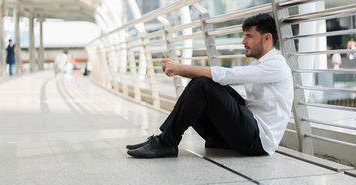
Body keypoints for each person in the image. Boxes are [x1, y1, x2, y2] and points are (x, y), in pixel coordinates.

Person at [126, 13, 293, 158]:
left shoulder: (276, 65)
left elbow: (228, 75)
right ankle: (164, 139)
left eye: (249, 36)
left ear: (266, 38)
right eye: (244, 36)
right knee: (203, 82)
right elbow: (218, 78)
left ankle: (166, 142)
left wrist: (180, 68)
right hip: (244, 133)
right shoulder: (259, 65)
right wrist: (178, 69)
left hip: (259, 141)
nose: (243, 41)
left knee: (204, 84)